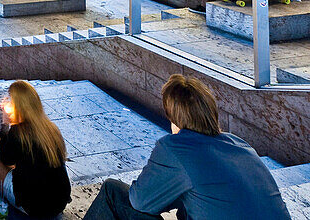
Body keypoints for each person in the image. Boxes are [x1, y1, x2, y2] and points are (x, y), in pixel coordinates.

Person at [83, 74, 289, 220]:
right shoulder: (240, 145)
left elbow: (140, 201)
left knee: (113, 192)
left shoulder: (175, 148)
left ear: (175, 118)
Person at [0, 80, 71, 219]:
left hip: (32, 206)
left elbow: (6, 160)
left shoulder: (18, 132)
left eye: (11, 100)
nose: (8, 102)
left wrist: (5, 123)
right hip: (57, 202)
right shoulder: (50, 128)